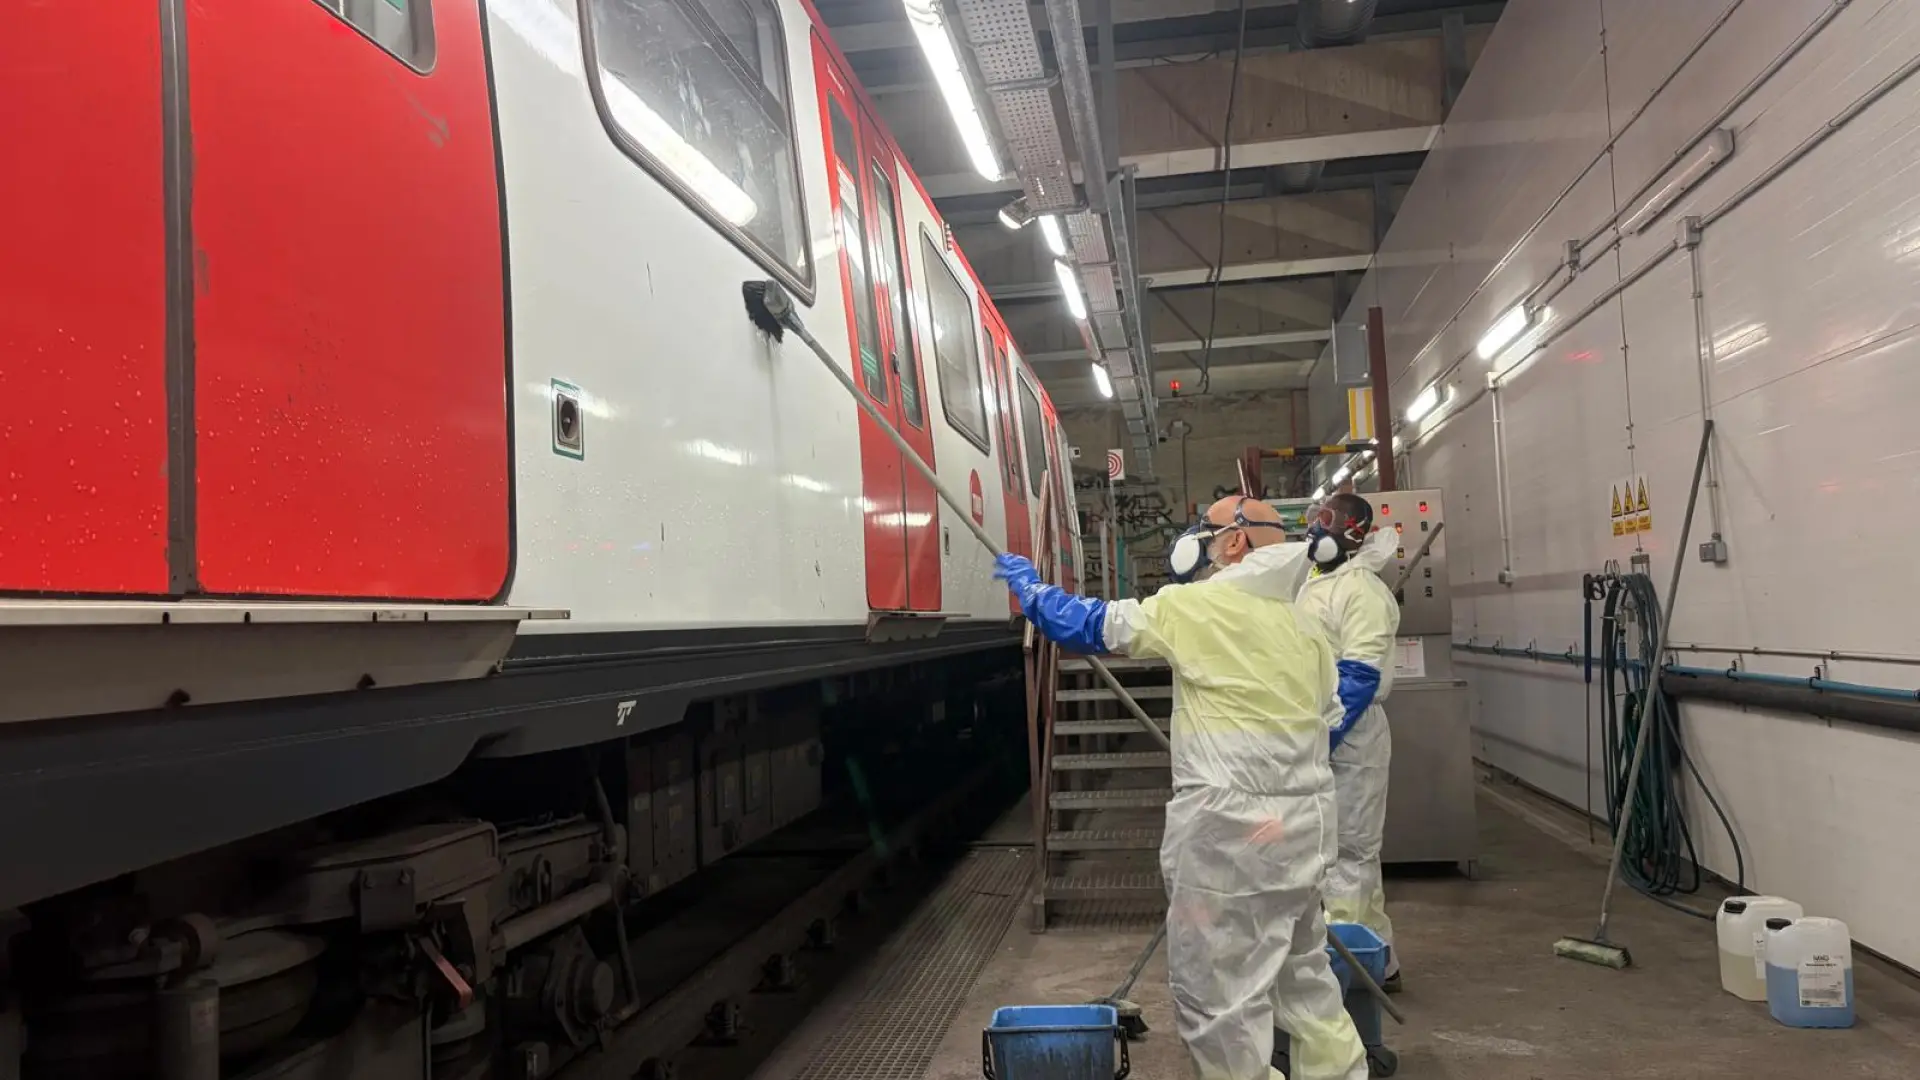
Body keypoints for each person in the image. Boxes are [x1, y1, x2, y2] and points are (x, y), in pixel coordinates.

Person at [994, 496, 1367, 1080]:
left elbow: (1089, 625)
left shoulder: (1197, 604)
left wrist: (1033, 591)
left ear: (1236, 542)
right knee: (1304, 978)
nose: (1200, 539)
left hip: (1232, 837)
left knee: (1221, 999)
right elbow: (1331, 715)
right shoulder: (1306, 623)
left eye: (1207, 529)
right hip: (1304, 830)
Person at [1298, 492, 1404, 991]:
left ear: (1355, 531)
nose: (1317, 529)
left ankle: (1353, 972)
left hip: (1351, 732)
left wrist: (1321, 737)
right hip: (1324, 727)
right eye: (1316, 519)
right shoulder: (1320, 582)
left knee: (1351, 857)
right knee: (1334, 857)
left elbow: (1359, 675)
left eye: (1328, 520)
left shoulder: (1361, 590)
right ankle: (1376, 956)